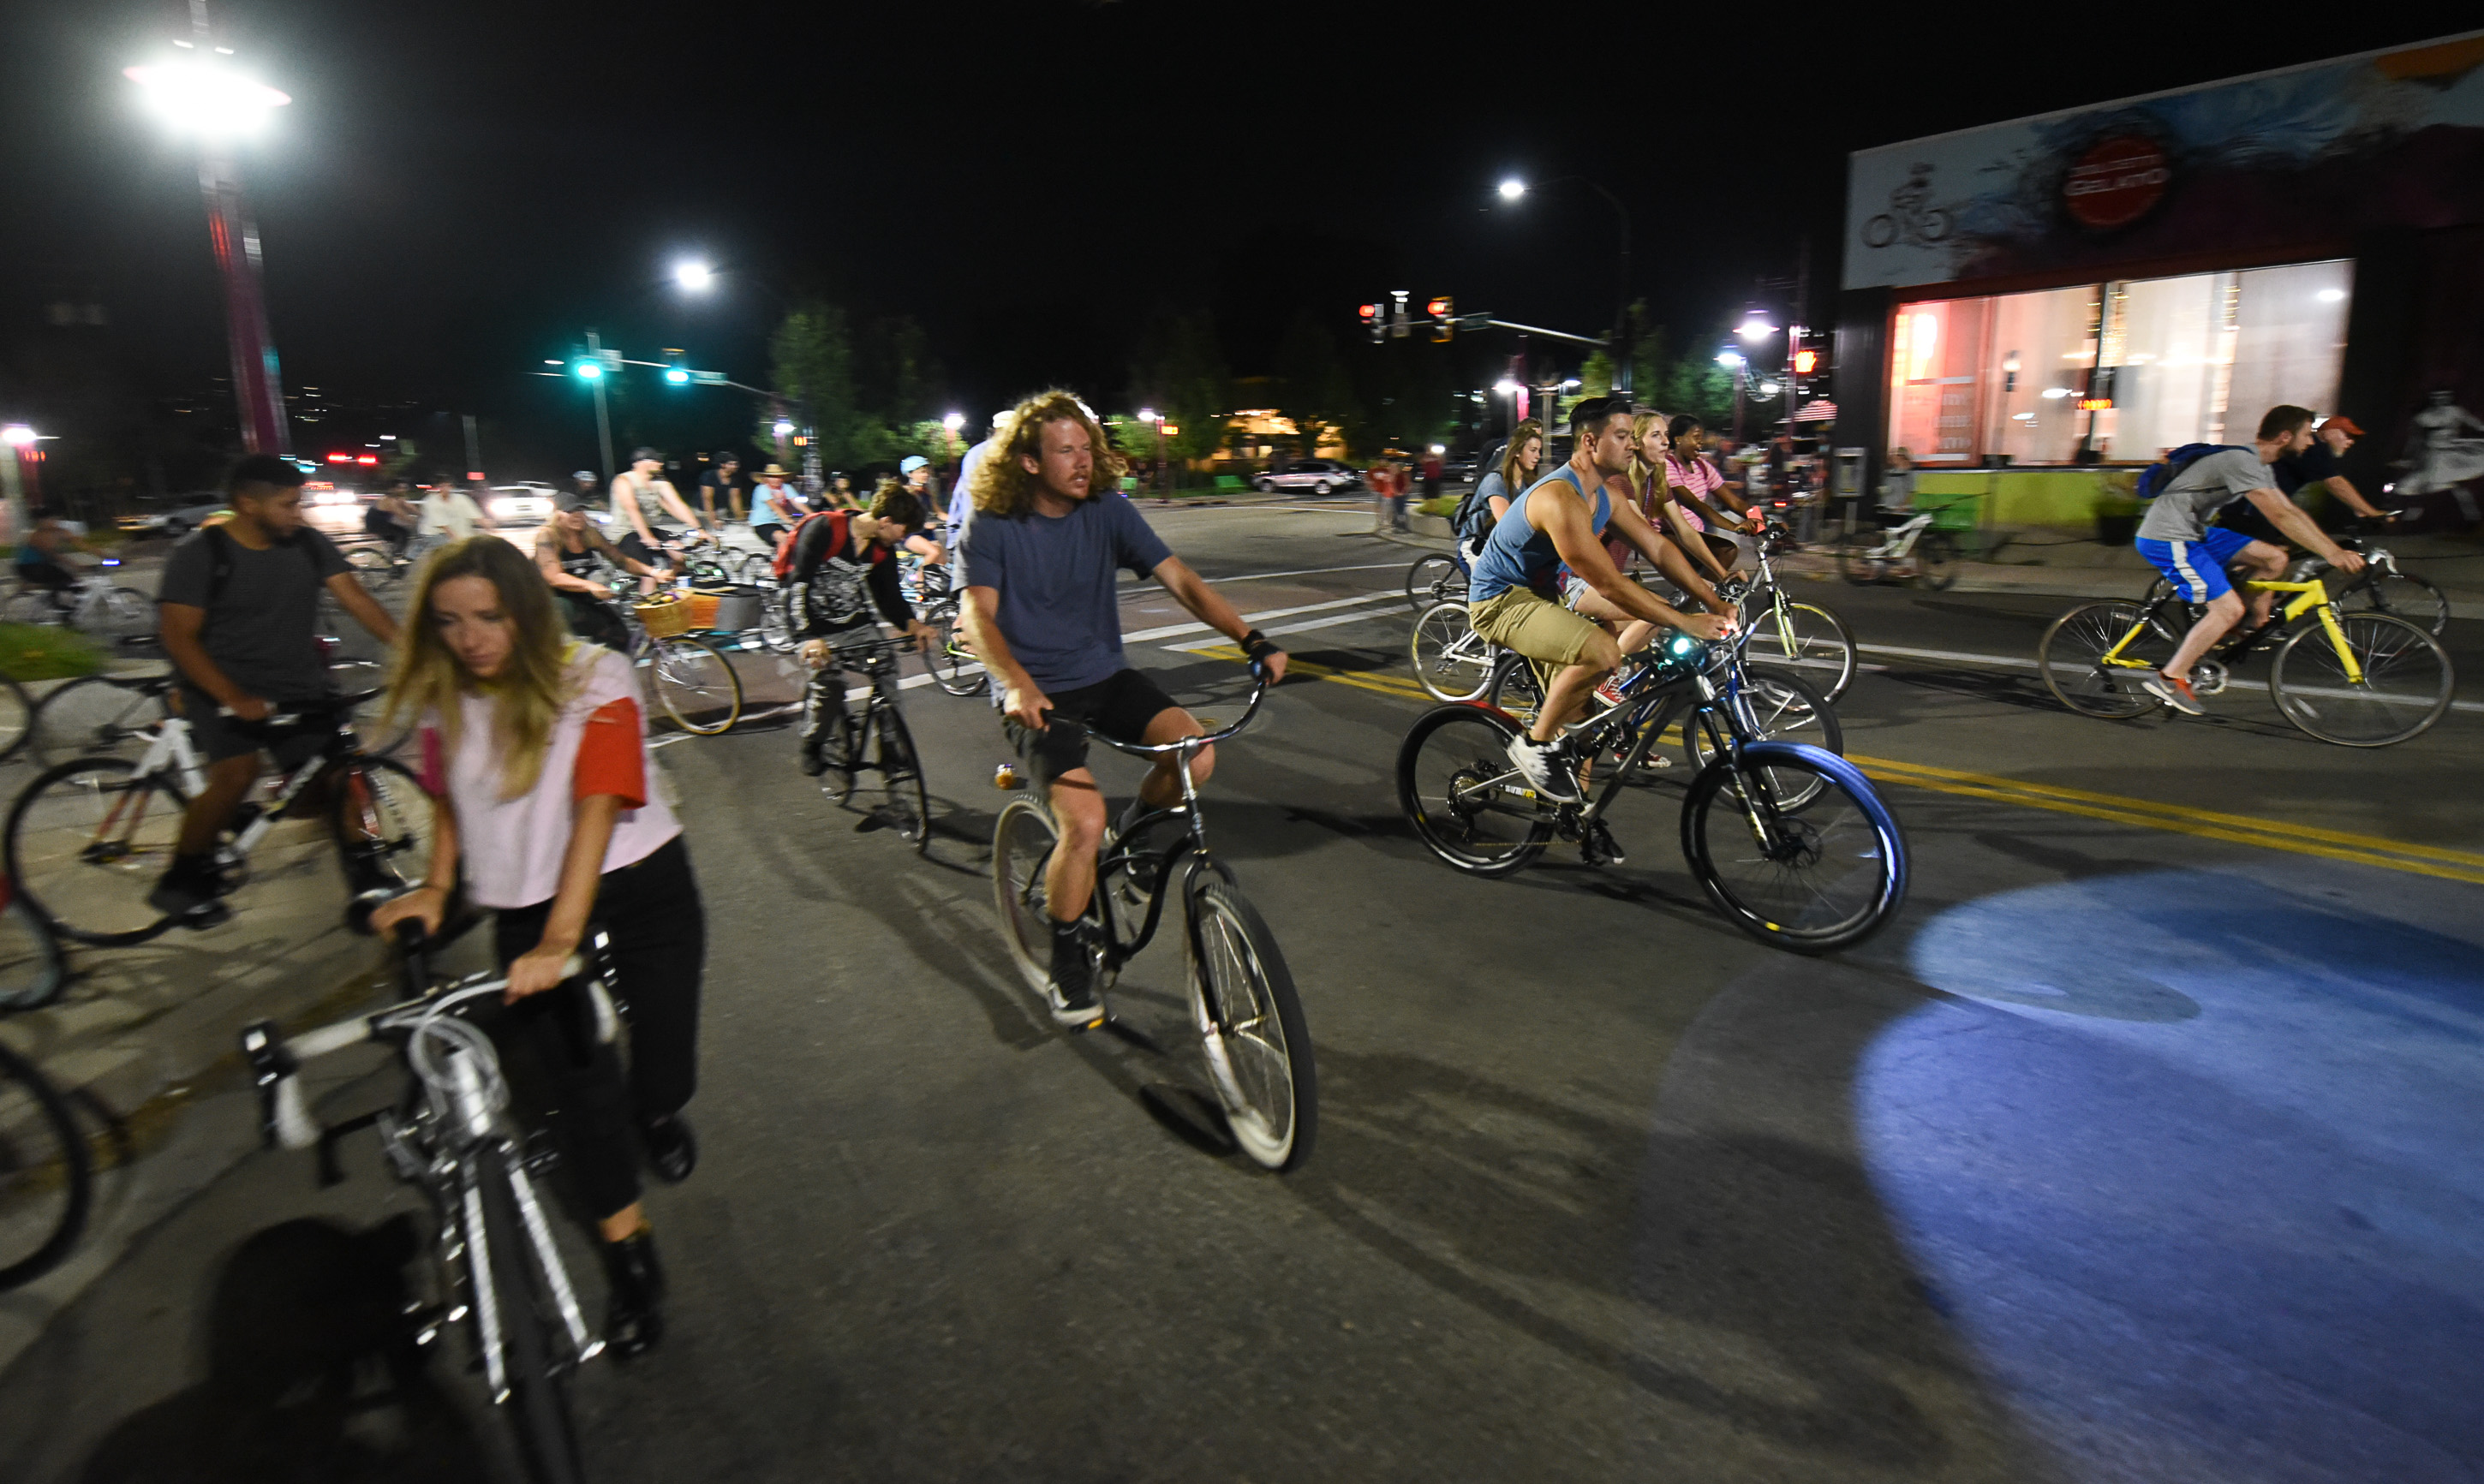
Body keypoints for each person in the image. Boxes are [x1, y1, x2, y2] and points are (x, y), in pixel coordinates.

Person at [369, 535, 705, 1359]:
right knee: (580, 1095)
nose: (471, 637)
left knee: (662, 1069)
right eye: (449, 622)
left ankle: (656, 1109)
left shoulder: (595, 672)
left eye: (488, 617)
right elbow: (449, 799)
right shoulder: (443, 696)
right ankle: (631, 1256)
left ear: (524, 610)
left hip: (637, 879)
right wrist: (438, 887)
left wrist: (565, 937)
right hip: (526, 898)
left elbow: (600, 799)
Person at [955, 390, 1286, 1028]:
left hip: (1105, 676)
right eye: (1065, 451)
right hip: (1037, 695)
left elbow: (1180, 578)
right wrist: (1018, 683)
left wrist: (1252, 638)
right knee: (1079, 823)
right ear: (1028, 461)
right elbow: (976, 617)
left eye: (1087, 447)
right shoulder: (991, 523)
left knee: (1197, 754)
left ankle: (1132, 834)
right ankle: (1068, 956)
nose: (1084, 461)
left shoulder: (1107, 511)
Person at [148, 455, 403, 921]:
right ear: (248, 504)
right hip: (222, 687)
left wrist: (410, 650)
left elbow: (356, 600)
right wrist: (233, 697)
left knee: (338, 780)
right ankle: (181, 878)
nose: (297, 514)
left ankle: (369, 880)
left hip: (299, 684)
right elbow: (178, 636)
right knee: (236, 775)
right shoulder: (202, 555)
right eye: (288, 505)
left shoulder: (308, 545)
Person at [1466, 397, 1731, 804]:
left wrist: (1713, 599)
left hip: (1541, 598)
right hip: (1501, 600)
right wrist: (1684, 620)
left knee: (1585, 722)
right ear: (1590, 442)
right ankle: (1532, 746)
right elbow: (1608, 585)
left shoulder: (1605, 495)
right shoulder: (1559, 497)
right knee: (1604, 652)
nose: (1634, 445)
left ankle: (1576, 815)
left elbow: (1658, 548)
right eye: (1623, 436)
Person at [2135, 404, 2366, 715]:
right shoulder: (2240, 461)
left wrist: (2331, 547)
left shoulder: (2261, 465)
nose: (2311, 442)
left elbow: (2293, 512)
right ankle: (2170, 678)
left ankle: (2246, 626)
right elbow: (2281, 516)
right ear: (2285, 436)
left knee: (2273, 558)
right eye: (2307, 435)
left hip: (2196, 533)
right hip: (2168, 537)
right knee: (2228, 608)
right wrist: (2333, 554)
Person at [786, 484, 942, 776]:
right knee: (829, 686)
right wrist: (808, 638)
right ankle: (813, 743)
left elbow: (889, 597)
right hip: (817, 629)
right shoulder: (825, 529)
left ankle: (891, 746)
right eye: (902, 531)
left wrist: (913, 625)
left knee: (887, 669)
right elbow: (797, 586)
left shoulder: (882, 550)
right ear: (885, 522)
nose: (904, 538)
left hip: (857, 624)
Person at [534, 491, 673, 650]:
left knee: (619, 635)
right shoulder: (548, 536)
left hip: (581, 594)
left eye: (580, 510)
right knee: (572, 637)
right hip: (551, 598)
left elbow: (621, 560)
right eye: (570, 512)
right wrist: (591, 586)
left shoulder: (589, 534)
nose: (577, 515)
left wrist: (654, 572)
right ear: (555, 516)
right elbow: (554, 576)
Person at [1662, 417, 1763, 582]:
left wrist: (1766, 522)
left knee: (1719, 573)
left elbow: (1734, 502)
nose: (1701, 443)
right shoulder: (1667, 466)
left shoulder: (1702, 467)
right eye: (1696, 437)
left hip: (1696, 535)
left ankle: (1703, 598)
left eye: (1702, 438)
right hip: (1670, 534)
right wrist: (1734, 527)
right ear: (1678, 440)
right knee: (1726, 550)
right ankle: (1698, 603)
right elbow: (1694, 504)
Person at [1452, 420, 1544, 567]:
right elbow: (1506, 524)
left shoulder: (1526, 482)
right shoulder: (1496, 480)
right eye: (1533, 450)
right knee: (1493, 586)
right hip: (1477, 545)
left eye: (1539, 450)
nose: (1538, 456)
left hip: (1495, 544)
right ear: (1517, 452)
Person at [611, 448, 707, 571]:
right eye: (657, 460)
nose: (661, 464)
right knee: (649, 571)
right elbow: (632, 509)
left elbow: (678, 506)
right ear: (642, 462)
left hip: (648, 528)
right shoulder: (624, 480)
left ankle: (673, 587)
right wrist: (647, 537)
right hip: (624, 532)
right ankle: (649, 587)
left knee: (680, 556)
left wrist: (699, 529)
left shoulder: (660, 482)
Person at [13, 508, 82, 611]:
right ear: (43, 521)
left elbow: (82, 546)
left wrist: (106, 556)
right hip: (30, 567)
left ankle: (57, 602)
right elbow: (52, 554)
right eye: (53, 520)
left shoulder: (51, 533)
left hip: (39, 566)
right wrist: (73, 564)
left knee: (68, 580)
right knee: (66, 580)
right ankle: (56, 604)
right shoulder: (37, 535)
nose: (56, 523)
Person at [411, 479, 493, 564]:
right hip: (433, 533)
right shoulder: (431, 502)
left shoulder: (462, 499)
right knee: (448, 552)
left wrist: (488, 527)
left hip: (455, 531)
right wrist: (457, 540)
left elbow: (475, 515)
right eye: (441, 486)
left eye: (447, 486)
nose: (445, 489)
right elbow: (443, 526)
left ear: (451, 487)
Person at [749, 462, 806, 549]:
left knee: (796, 541)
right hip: (762, 524)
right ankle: (778, 562)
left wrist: (813, 515)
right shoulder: (762, 489)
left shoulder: (786, 487)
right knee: (784, 538)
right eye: (772, 477)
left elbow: (797, 503)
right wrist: (791, 522)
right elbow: (774, 507)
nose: (776, 479)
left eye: (778, 476)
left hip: (776, 523)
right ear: (766, 478)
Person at [365, 480, 418, 555]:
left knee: (401, 535)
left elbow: (410, 507)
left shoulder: (398, 499)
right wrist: (416, 522)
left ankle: (392, 555)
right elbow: (401, 515)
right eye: (400, 488)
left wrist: (423, 515)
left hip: (383, 524)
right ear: (393, 489)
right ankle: (398, 556)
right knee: (404, 533)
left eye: (405, 488)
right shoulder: (388, 500)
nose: (403, 490)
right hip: (375, 526)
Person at [696, 451, 745, 530]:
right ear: (723, 465)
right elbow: (707, 499)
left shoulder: (735, 478)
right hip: (702, 511)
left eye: (736, 464)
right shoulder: (709, 476)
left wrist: (741, 518)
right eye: (731, 464)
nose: (735, 466)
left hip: (720, 510)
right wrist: (713, 520)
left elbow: (735, 499)